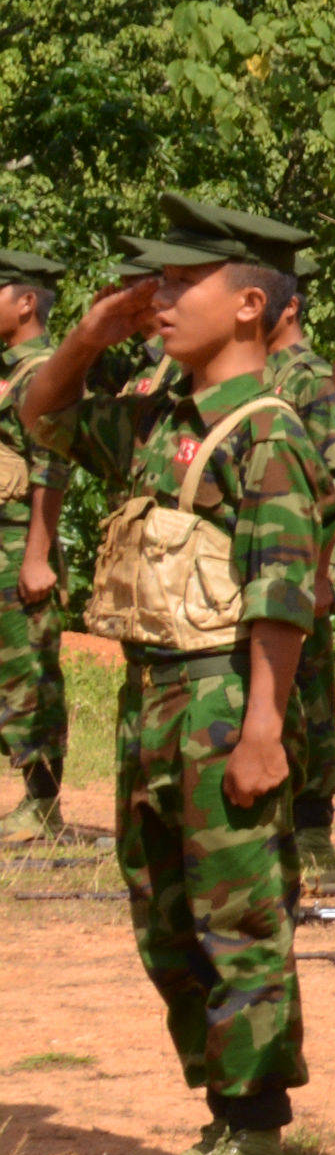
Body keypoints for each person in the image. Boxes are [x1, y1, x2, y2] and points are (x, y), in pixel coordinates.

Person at [22, 202, 334, 1155]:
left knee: (237, 915)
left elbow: (282, 593)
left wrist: (263, 730)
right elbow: (44, 418)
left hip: (219, 692)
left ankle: (254, 1135)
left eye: (176, 286)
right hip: (150, 695)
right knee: (162, 914)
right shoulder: (160, 422)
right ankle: (220, 1114)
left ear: (248, 305)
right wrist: (84, 336)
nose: (155, 301)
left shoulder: (265, 431)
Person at [261, 281, 335, 846]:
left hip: (305, 562)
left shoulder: (312, 379)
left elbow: (334, 483)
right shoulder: (253, 371)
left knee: (309, 689)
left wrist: (320, 572)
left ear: (290, 306)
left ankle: (314, 819)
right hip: (263, 557)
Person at [0, 248, 78, 841]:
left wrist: (35, 556)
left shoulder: (42, 372)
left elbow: (51, 467)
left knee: (28, 673)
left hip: (16, 549)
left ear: (27, 302)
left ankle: (42, 803)